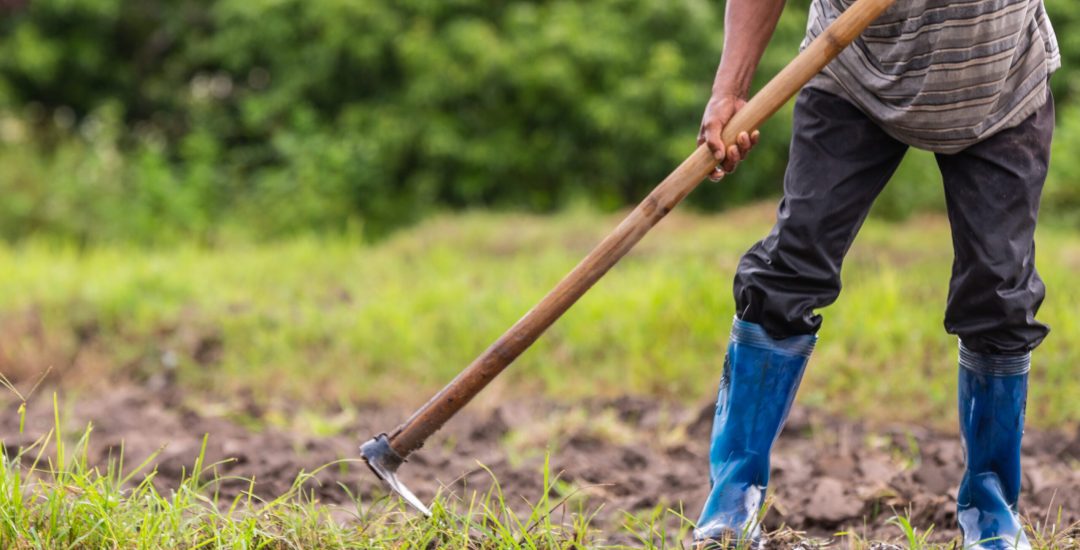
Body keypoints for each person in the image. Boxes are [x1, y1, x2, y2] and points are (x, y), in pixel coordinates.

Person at [694, 0, 1059, 548]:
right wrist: (730, 90)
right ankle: (731, 499)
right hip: (854, 73)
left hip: (999, 83)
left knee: (1000, 294)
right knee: (790, 268)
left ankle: (991, 512)